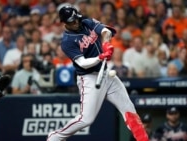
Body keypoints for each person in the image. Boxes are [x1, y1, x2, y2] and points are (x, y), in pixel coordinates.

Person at [46, 5, 149, 141]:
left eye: (76, 18)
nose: (76, 22)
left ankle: (143, 139)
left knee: (128, 107)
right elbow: (82, 63)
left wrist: (106, 45)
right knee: (86, 119)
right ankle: (56, 136)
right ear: (64, 23)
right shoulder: (67, 41)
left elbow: (106, 31)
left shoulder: (86, 22)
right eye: (72, 21)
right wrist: (100, 57)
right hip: (89, 78)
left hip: (106, 74)